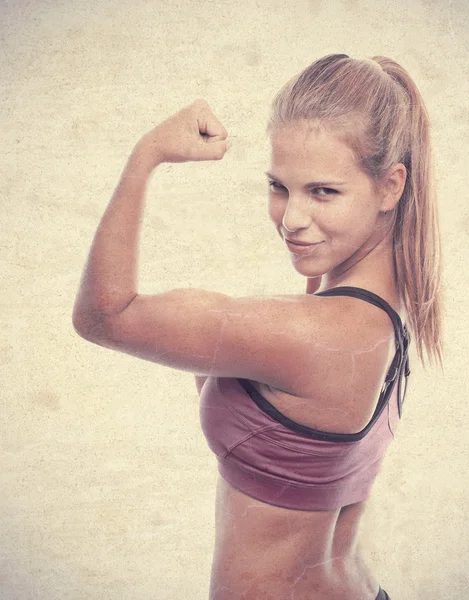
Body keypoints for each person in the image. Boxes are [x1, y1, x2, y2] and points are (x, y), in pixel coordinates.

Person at [72, 53, 443, 600]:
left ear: (390, 187)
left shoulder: (318, 335)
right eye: (280, 186)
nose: (291, 219)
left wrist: (146, 154)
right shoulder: (384, 308)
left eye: (323, 191)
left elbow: (104, 316)